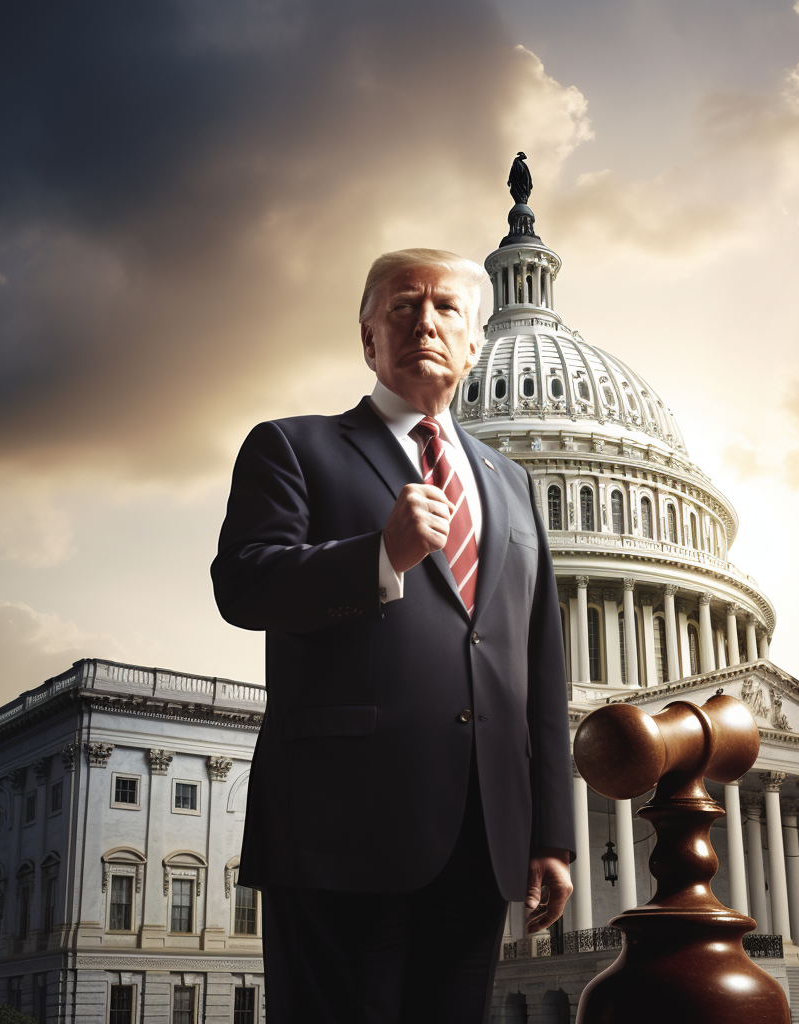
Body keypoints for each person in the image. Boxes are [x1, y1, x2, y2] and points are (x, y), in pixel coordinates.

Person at [211, 248, 575, 1023]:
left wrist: (551, 833)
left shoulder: (511, 482)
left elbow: (540, 665)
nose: (425, 322)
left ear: (475, 343)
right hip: (340, 825)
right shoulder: (292, 447)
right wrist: (379, 557)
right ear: (368, 336)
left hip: (482, 833)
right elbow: (243, 586)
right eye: (402, 305)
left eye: (447, 308)